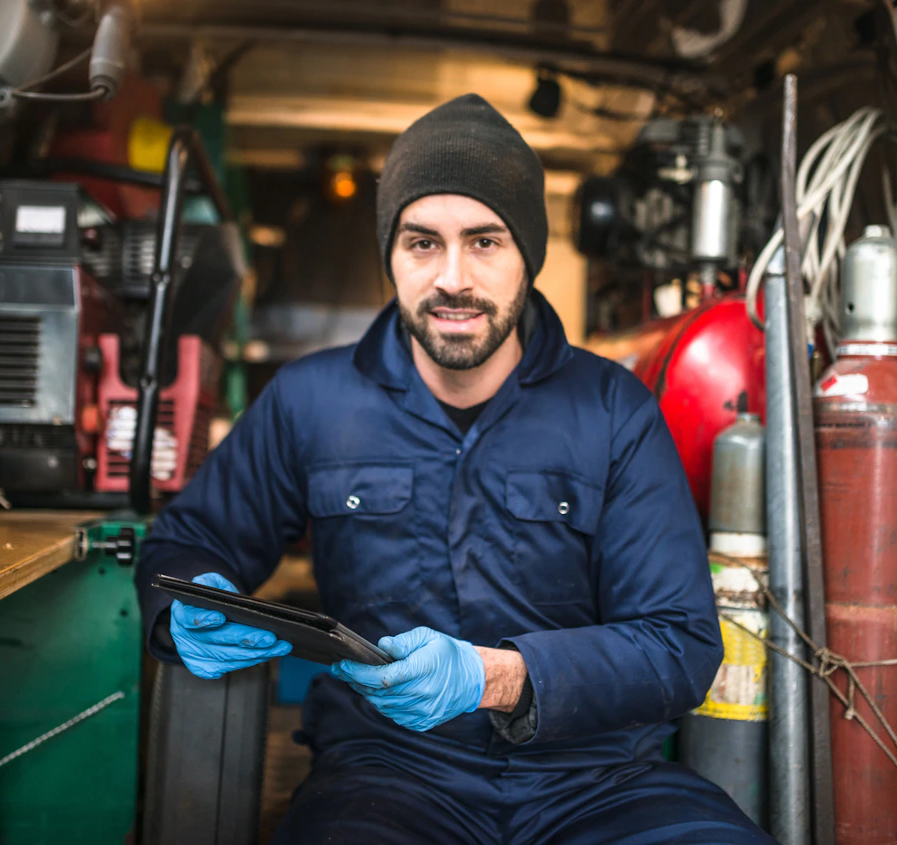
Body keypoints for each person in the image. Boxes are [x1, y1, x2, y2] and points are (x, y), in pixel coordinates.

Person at [137, 93, 774, 844]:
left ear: (527, 254)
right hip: (386, 778)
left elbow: (681, 642)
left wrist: (498, 676)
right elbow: (185, 541)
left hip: (600, 784)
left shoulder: (614, 411)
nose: (453, 278)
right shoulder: (311, 400)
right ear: (392, 255)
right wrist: (184, 613)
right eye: (422, 243)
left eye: (484, 241)